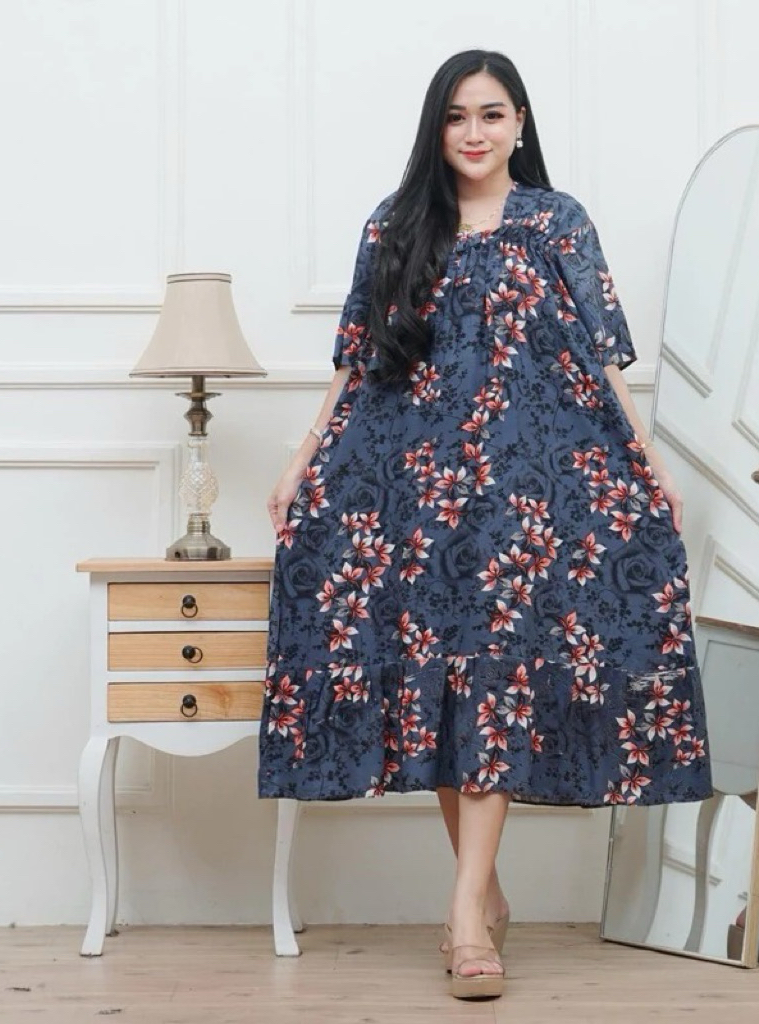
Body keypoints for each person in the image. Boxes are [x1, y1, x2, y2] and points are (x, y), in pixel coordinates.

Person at [261, 49, 713, 1000]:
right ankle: (488, 892)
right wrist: (304, 458)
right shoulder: (393, 226)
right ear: (437, 128)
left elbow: (603, 357)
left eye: (493, 114)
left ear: (519, 123)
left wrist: (649, 459)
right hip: (415, 488)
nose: (475, 133)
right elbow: (355, 356)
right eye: (458, 116)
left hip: (525, 491)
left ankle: (465, 913)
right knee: (438, 680)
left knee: (498, 673)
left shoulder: (556, 221)